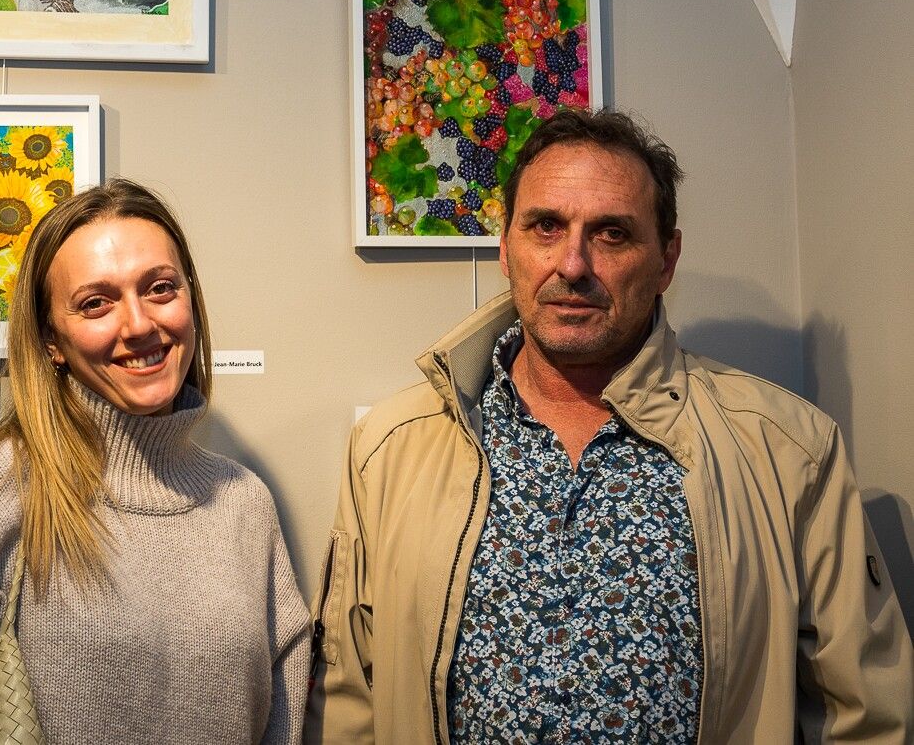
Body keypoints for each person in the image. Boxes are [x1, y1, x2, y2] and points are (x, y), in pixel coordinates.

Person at [305, 110, 913, 743]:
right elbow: (352, 701)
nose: (573, 264)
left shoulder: (788, 451)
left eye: (612, 234)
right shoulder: (390, 447)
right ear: (506, 245)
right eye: (546, 226)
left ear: (666, 259)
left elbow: (866, 716)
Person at [0, 178, 311, 744]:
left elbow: (282, 725)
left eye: (159, 288)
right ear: (52, 340)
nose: (138, 324)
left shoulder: (244, 504)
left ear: (191, 302)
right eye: (96, 303)